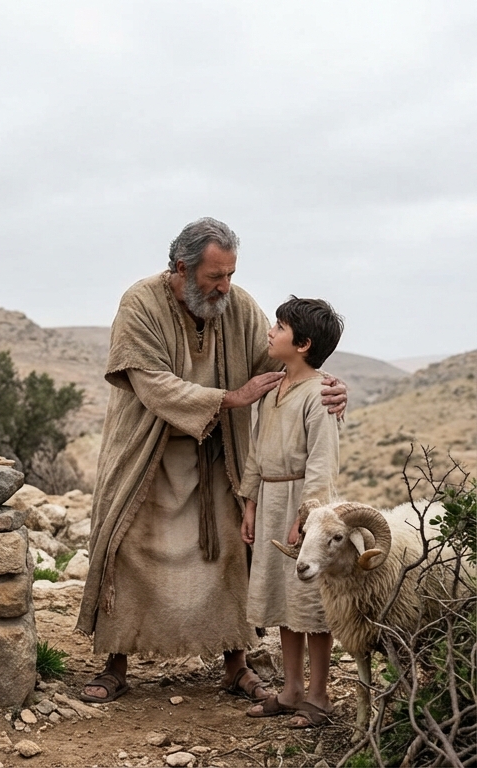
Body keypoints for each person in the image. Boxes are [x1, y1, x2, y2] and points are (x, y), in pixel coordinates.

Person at [76, 218, 348, 705]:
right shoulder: (139, 303)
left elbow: (284, 361)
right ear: (181, 268)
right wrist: (231, 396)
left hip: (220, 454)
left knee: (228, 551)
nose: (225, 286)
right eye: (214, 277)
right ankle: (116, 662)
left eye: (230, 274)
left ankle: (235, 664)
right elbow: (148, 380)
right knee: (128, 544)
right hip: (148, 451)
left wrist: (326, 384)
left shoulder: (238, 306)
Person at [240, 297, 344, 728]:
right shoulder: (273, 389)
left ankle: (318, 697)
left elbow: (323, 461)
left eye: (279, 327)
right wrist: (250, 502)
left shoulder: (320, 396)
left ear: (302, 343)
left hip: (303, 507)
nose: (271, 331)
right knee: (283, 599)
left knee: (310, 602)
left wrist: (309, 514)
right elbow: (256, 450)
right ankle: (291, 690)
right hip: (269, 501)